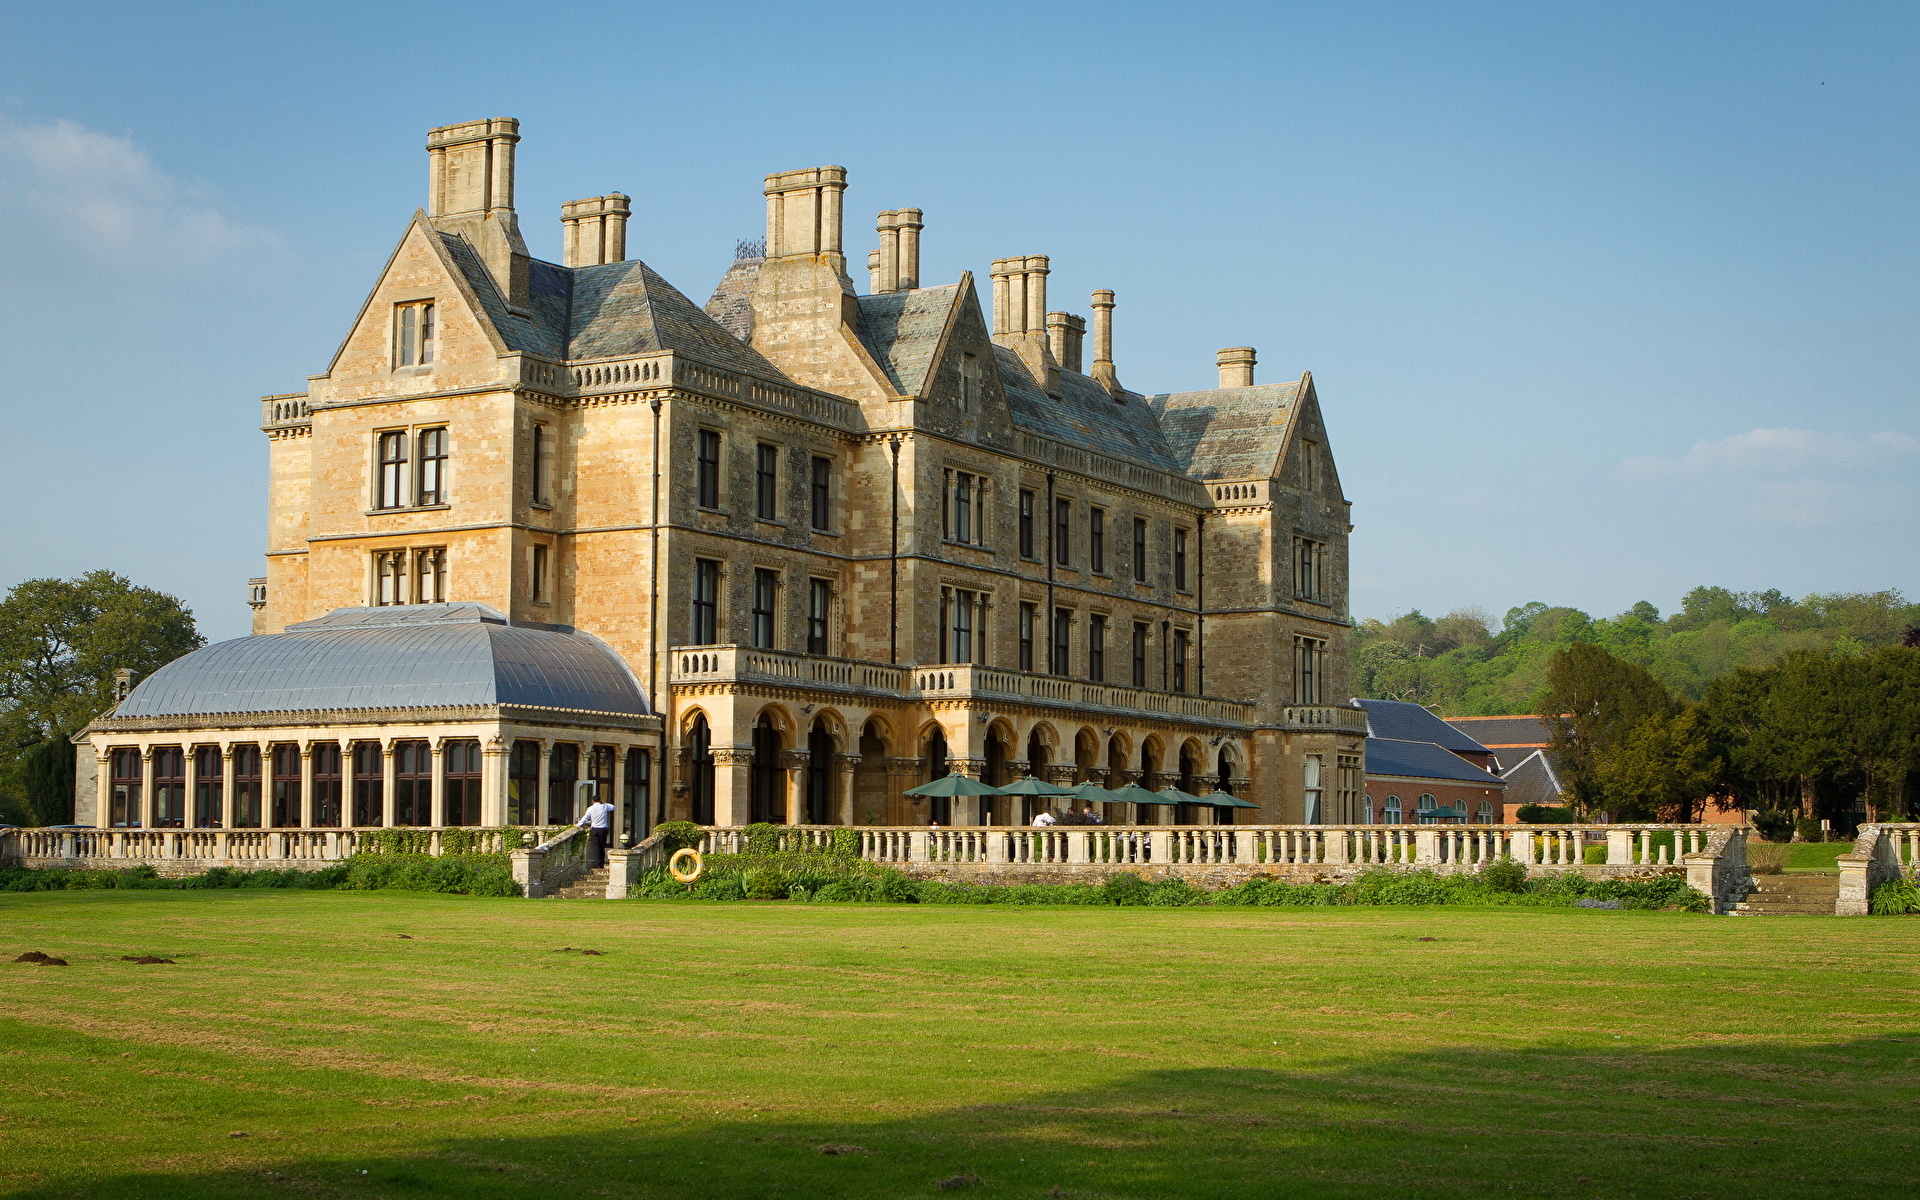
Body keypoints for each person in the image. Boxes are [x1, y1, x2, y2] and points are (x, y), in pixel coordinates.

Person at [576, 792, 616, 868]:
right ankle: (602, 862)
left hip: (594, 829)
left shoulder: (590, 808)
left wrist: (578, 824)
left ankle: (599, 864)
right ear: (600, 800)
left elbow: (585, 818)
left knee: (596, 847)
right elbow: (613, 807)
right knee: (602, 846)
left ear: (593, 801)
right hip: (603, 829)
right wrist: (603, 802)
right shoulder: (604, 806)